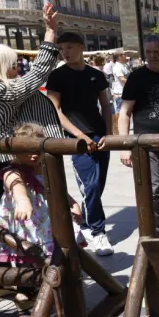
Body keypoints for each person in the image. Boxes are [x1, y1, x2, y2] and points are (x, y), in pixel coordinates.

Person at [0, 4, 63, 215]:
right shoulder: (0, 92)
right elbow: (39, 72)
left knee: (8, 222)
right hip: (4, 166)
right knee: (19, 225)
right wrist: (51, 32)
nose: (17, 68)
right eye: (12, 65)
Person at [46, 32, 114, 256]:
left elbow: (106, 106)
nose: (65, 52)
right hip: (75, 140)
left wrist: (110, 133)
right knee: (90, 186)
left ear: (81, 48)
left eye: (69, 47)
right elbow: (56, 111)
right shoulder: (57, 76)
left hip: (100, 135)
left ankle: (84, 220)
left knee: (99, 185)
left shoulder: (97, 75)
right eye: (62, 48)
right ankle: (97, 231)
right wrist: (79, 136)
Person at [118, 35, 159, 239]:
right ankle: (152, 233)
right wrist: (124, 145)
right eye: (149, 52)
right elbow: (124, 112)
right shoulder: (136, 77)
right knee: (152, 189)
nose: (152, 56)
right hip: (145, 144)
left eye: (157, 52)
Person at [0, 122, 83, 267]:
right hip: (25, 222)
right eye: (27, 152)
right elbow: (16, 185)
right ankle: (27, 287)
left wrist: (72, 203)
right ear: (15, 152)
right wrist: (22, 200)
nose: (34, 155)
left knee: (53, 252)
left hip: (45, 221)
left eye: (37, 150)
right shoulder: (12, 171)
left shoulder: (44, 168)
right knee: (26, 254)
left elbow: (57, 187)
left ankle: (58, 278)